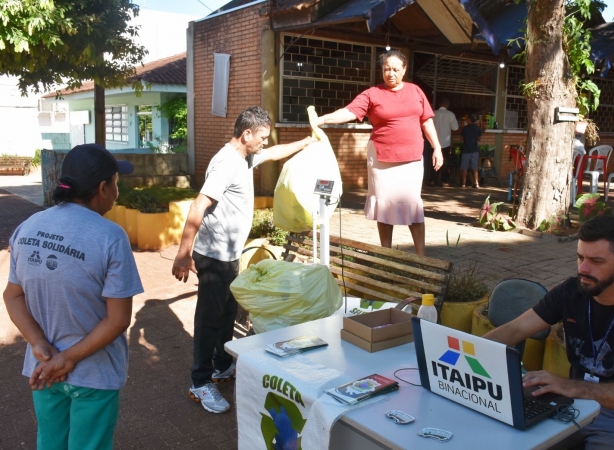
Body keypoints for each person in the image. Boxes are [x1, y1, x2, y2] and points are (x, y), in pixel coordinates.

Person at [484, 215, 614, 449]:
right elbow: (515, 329)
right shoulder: (570, 291)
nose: (583, 269)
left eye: (596, 261)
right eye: (580, 258)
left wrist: (571, 386)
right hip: (570, 405)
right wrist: (457, 352)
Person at [171, 106, 315, 414]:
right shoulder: (226, 163)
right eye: (261, 137)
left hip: (230, 255)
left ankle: (222, 367)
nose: (264, 142)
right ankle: (200, 381)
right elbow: (198, 206)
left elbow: (275, 152)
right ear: (246, 134)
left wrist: (305, 143)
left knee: (226, 314)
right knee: (209, 319)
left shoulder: (245, 157)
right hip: (213, 256)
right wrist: (183, 253)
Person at [3, 144, 143, 449]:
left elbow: (11, 296)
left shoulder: (28, 227)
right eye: (116, 184)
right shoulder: (111, 236)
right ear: (103, 188)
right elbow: (118, 320)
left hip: (43, 369)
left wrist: (39, 343)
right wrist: (67, 359)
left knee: (50, 443)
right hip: (94, 374)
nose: (117, 192)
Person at [315, 50, 444, 256]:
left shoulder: (415, 91)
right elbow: (350, 111)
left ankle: (422, 256)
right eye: (386, 69)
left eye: (395, 69)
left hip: (411, 159)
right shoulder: (372, 94)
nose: (390, 73)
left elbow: (426, 120)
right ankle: (386, 254)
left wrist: (436, 147)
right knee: (384, 207)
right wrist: (323, 119)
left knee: (413, 205)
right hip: (381, 158)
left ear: (404, 70)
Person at [432, 98, 459, 187]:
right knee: (445, 161)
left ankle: (433, 180)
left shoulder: (433, 113)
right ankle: (444, 180)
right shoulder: (450, 115)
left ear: (440, 104)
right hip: (445, 142)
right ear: (447, 105)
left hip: (433, 141)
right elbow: (455, 128)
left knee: (433, 160)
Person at [459, 113, 482, 188]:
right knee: (474, 167)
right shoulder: (478, 128)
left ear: (468, 120)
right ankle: (476, 183)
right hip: (475, 150)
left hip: (466, 150)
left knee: (464, 167)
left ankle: (463, 183)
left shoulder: (465, 128)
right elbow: (479, 139)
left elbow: (461, 138)